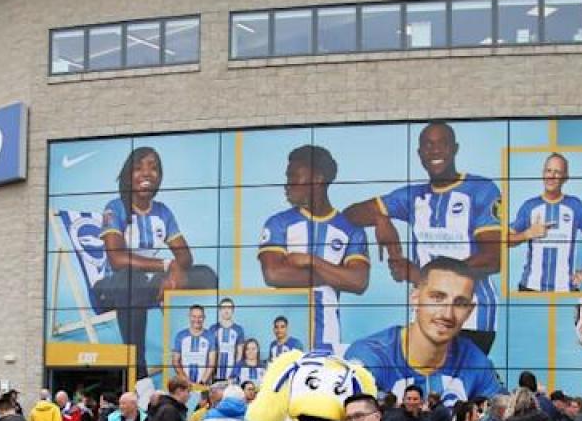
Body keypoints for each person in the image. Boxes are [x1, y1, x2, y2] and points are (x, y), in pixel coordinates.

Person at [345, 120, 501, 352]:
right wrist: (380, 219)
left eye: (442, 144)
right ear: (419, 154)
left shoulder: (481, 189)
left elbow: (493, 258)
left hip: (471, 317)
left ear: (454, 149)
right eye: (428, 145)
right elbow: (351, 213)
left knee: (460, 374)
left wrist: (423, 276)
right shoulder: (414, 196)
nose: (434, 150)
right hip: (426, 315)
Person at [93, 146, 216, 378]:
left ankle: (198, 353)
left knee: (206, 275)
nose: (146, 173)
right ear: (128, 175)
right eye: (138, 168)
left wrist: (171, 275)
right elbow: (117, 259)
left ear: (159, 176)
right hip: (113, 289)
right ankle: (138, 371)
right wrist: (166, 266)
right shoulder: (115, 208)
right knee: (133, 279)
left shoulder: (162, 212)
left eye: (153, 168)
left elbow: (185, 256)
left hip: (148, 286)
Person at [258, 144, 370, 353]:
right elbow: (273, 274)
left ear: (317, 179)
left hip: (329, 336)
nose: (287, 185)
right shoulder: (278, 223)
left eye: (294, 177)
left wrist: (310, 261)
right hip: (290, 335)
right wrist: (336, 276)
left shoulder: (351, 229)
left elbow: (359, 281)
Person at [348, 257, 502, 405]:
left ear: (469, 311)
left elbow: (503, 414)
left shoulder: (475, 360)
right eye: (437, 298)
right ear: (415, 298)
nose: (447, 314)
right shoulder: (371, 356)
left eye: (460, 303)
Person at [508, 153, 582, 292]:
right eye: (548, 170)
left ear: (565, 177)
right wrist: (527, 234)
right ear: (543, 174)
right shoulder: (529, 206)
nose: (551, 176)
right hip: (530, 288)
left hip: (566, 289)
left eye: (557, 172)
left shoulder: (575, 206)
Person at [172, 304, 216, 387]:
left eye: (200, 317)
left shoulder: (210, 336)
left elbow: (212, 363)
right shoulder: (180, 335)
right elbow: (175, 361)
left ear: (204, 318)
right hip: (184, 385)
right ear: (189, 317)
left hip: (204, 384)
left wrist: (201, 383)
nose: (197, 320)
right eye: (194, 316)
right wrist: (186, 381)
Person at [211, 298, 245, 382]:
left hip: (231, 375)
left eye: (229, 308)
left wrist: (234, 373)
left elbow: (240, 354)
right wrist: (211, 371)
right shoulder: (213, 328)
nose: (226, 311)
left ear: (233, 310)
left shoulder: (238, 329)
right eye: (224, 308)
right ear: (220, 310)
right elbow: (209, 353)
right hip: (215, 373)